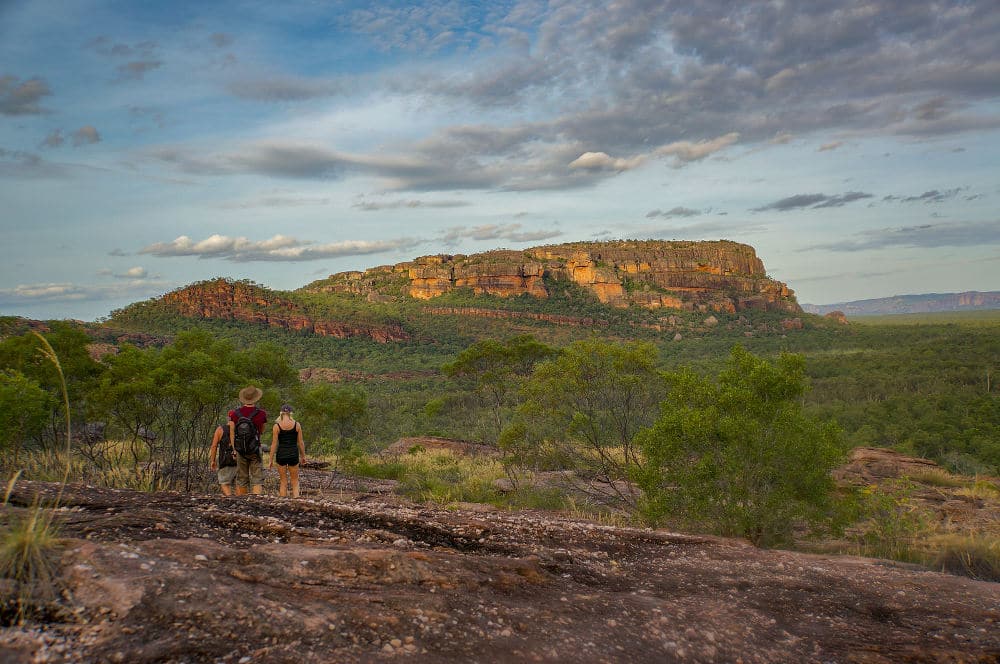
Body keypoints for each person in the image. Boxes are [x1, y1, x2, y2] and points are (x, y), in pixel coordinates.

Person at [229, 385, 268, 496]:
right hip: (255, 448)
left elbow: (232, 432)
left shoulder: (235, 414)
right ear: (256, 398)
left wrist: (234, 449)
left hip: (240, 449)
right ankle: (256, 502)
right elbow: (261, 430)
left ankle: (242, 504)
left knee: (241, 478)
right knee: (257, 478)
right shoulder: (261, 413)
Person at [270, 404, 307, 498]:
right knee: (295, 481)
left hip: (281, 455)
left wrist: (270, 459)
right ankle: (297, 503)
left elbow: (274, 444)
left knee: (283, 481)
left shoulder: (276, 426)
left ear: (281, 413)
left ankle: (283, 503)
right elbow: (301, 443)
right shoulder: (297, 425)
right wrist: (303, 456)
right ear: (291, 413)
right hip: (293, 454)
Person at [208, 420, 237, 496]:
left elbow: (214, 446)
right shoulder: (240, 429)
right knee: (240, 484)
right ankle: (239, 500)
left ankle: (230, 498)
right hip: (240, 460)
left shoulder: (220, 429)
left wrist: (212, 461)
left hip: (226, 461)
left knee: (224, 483)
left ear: (228, 418)